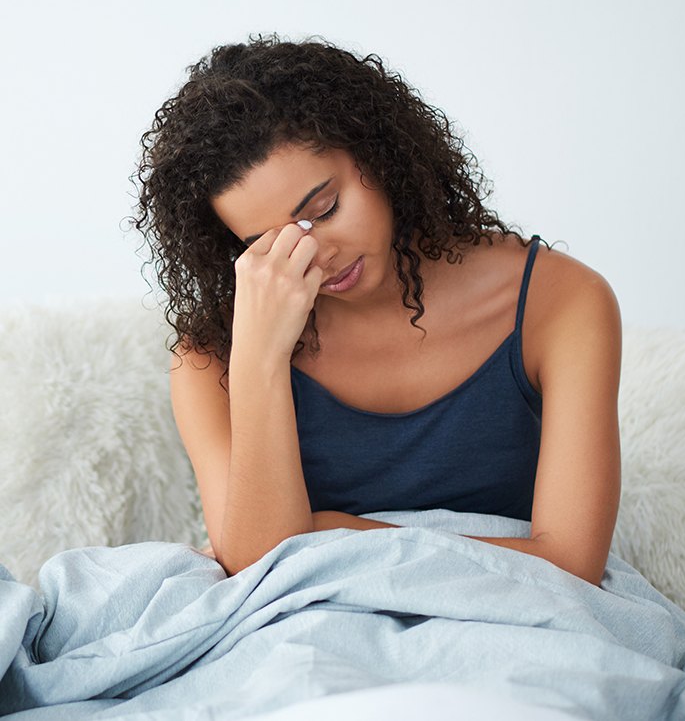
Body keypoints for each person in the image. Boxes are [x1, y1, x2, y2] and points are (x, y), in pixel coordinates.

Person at [128, 33, 622, 585]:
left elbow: (573, 565)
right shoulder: (213, 358)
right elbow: (252, 567)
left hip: (515, 622)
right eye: (266, 246)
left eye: (325, 209)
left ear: (377, 153)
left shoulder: (560, 303)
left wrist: (331, 531)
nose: (314, 253)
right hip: (302, 638)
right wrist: (259, 359)